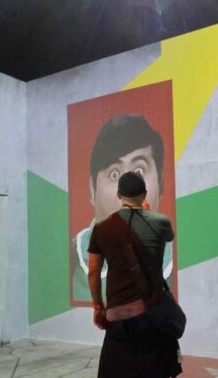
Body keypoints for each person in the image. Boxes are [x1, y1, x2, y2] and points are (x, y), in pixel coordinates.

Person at [88, 170, 186, 378]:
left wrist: (98, 305)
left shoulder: (101, 229)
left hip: (117, 314)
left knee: (114, 377)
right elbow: (166, 237)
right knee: (156, 376)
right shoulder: (160, 222)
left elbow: (93, 272)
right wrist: (146, 212)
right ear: (144, 194)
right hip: (151, 312)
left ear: (119, 195)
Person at [72, 113, 173, 301]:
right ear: (92, 189)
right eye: (114, 173)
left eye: (139, 170)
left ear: (160, 182)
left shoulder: (176, 258)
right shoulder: (71, 259)